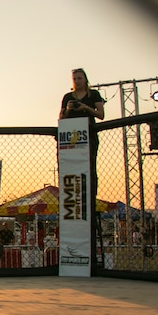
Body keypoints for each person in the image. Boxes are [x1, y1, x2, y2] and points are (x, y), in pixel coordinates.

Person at [59, 68, 105, 265]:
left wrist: (85, 108)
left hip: (88, 136)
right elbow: (60, 119)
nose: (77, 81)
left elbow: (101, 114)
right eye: (74, 79)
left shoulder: (93, 95)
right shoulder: (67, 96)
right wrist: (70, 108)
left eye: (80, 78)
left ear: (86, 79)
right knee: (71, 181)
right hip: (70, 139)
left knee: (88, 178)